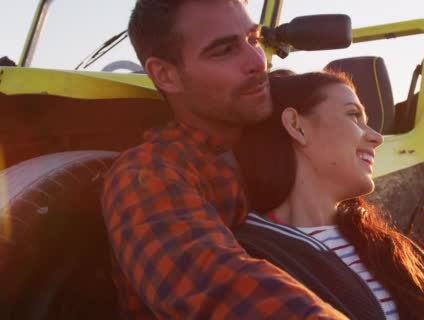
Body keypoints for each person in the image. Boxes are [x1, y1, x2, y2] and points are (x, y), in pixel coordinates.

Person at [102, 0, 348, 318]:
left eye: (254, 39)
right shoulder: (149, 173)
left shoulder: (291, 131)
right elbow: (219, 289)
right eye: (223, 50)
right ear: (165, 74)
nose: (258, 62)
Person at [234, 70, 424, 320]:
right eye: (353, 116)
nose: (377, 138)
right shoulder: (249, 255)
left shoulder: (383, 243)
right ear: (296, 126)